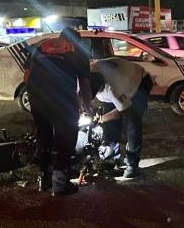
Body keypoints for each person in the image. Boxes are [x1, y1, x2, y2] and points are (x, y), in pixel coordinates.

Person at [24, 28, 92, 195]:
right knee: (66, 137)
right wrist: (87, 107)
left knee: (43, 136)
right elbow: (84, 84)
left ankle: (44, 179)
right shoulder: (78, 53)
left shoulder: (40, 46)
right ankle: (60, 184)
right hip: (61, 97)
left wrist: (35, 95)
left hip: (36, 94)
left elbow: (26, 74)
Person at [89, 57, 153, 180]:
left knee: (132, 121)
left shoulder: (113, 89)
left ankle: (132, 165)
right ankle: (111, 157)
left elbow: (122, 112)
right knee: (110, 124)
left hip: (139, 82)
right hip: (122, 74)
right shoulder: (88, 71)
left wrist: (102, 118)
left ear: (101, 87)